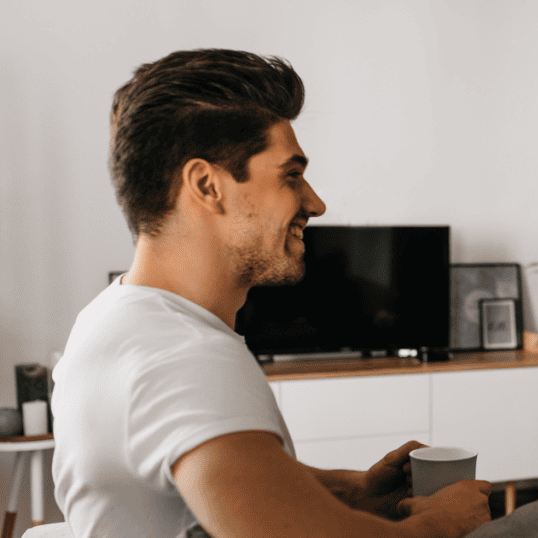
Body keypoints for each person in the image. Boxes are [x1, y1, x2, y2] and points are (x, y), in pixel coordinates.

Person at [51, 49, 492, 538]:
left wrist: (354, 491)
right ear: (207, 185)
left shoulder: (113, 316)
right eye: (291, 175)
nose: (315, 203)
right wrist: (443, 526)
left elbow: (210, 474)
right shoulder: (185, 358)